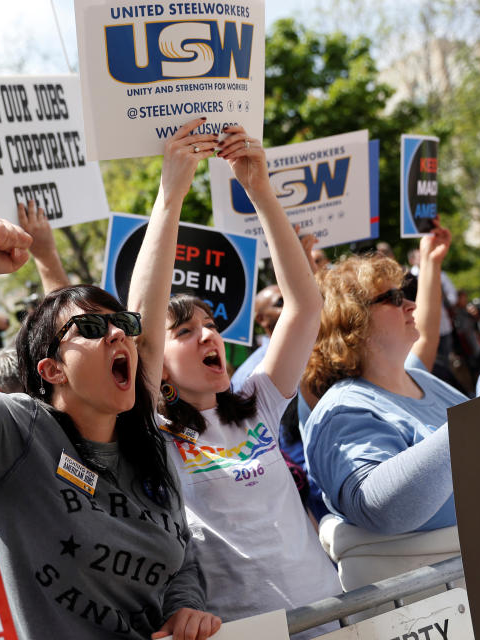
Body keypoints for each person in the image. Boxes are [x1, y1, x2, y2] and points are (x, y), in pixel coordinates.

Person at [0, 216, 220, 639]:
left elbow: (180, 557)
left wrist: (186, 607)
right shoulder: (17, 434)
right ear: (52, 370)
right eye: (91, 327)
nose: (118, 333)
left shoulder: (150, 446)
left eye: (124, 323)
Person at [127, 119, 340, 636]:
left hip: (333, 615)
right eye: (185, 331)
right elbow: (140, 331)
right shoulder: (153, 437)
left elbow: (305, 305)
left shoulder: (258, 402)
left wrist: (260, 190)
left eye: (213, 325)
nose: (209, 337)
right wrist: (170, 195)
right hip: (247, 631)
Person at [301, 243, 480, 535]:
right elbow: (384, 511)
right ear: (352, 319)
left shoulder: (420, 378)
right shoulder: (341, 411)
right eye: (393, 298)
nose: (410, 304)